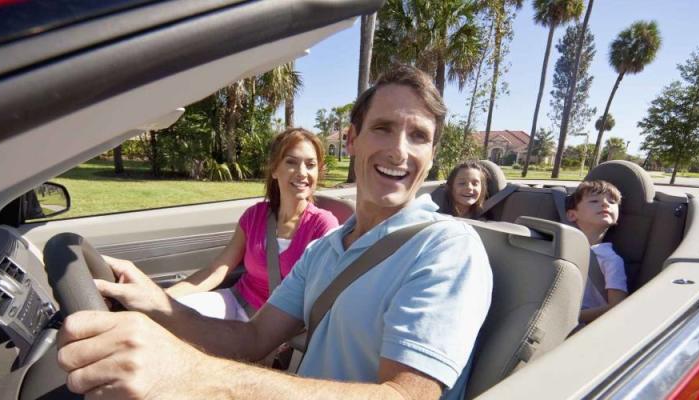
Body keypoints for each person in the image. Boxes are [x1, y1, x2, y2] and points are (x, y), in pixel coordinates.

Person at [57, 65, 493, 400]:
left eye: (418, 136)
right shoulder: (326, 249)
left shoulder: (448, 248)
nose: (399, 150)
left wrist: (195, 373)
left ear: (432, 156)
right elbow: (251, 339)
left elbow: (402, 396)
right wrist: (158, 303)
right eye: (383, 128)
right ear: (352, 140)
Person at [157, 128, 339, 320]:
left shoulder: (323, 225)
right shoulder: (255, 216)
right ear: (275, 169)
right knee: (167, 318)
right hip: (237, 302)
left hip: (275, 327)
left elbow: (318, 299)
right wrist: (163, 299)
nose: (302, 173)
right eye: (291, 162)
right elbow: (216, 270)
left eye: (310, 165)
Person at [564, 180, 628, 324]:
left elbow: (616, 307)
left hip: (583, 327)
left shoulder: (610, 259)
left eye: (612, 202)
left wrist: (570, 318)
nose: (605, 204)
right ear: (572, 215)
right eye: (594, 201)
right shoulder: (561, 248)